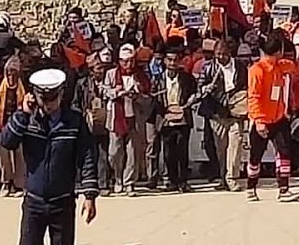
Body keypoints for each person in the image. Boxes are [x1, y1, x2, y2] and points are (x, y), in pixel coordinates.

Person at [0, 68, 100, 245]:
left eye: (53, 98)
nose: (48, 104)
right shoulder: (27, 119)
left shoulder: (74, 121)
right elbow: (6, 141)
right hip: (33, 201)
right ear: (35, 96)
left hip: (62, 200)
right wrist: (22, 113)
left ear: (61, 95)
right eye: (43, 98)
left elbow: (87, 157)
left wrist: (89, 195)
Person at [245, 30, 299, 201]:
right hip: (262, 120)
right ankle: (251, 188)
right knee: (255, 156)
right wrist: (259, 121)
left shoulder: (281, 67)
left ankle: (284, 189)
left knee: (284, 153)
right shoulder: (257, 70)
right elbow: (253, 97)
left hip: (279, 118)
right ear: (278, 51)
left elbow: (291, 66)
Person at [197, 35, 251, 191]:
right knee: (221, 149)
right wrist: (206, 89)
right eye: (218, 54)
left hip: (235, 113)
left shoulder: (240, 67)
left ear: (230, 53)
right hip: (217, 114)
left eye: (224, 54)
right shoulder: (208, 68)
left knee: (235, 146)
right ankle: (223, 177)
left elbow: (246, 86)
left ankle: (232, 178)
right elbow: (199, 87)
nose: (221, 57)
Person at [149, 44, 198, 192]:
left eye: (175, 60)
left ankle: (183, 181)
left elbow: (194, 93)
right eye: (169, 60)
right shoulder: (158, 79)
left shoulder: (187, 78)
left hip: (183, 118)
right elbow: (153, 98)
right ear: (164, 61)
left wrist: (188, 102)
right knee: (168, 152)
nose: (172, 63)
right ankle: (172, 181)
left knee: (182, 151)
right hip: (166, 119)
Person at [102, 43, 149, 194]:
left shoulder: (139, 75)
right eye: (125, 61)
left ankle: (129, 182)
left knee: (133, 151)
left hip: (134, 116)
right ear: (120, 61)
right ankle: (117, 178)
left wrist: (137, 93)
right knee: (114, 152)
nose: (128, 64)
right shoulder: (111, 74)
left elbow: (147, 93)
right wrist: (116, 92)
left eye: (131, 61)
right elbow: (104, 91)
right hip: (116, 117)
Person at [0, 58, 28, 196]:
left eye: (14, 74)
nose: (11, 77)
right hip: (3, 125)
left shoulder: (23, 87)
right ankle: (6, 183)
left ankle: (19, 185)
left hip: (19, 126)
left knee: (20, 156)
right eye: (8, 73)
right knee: (4, 157)